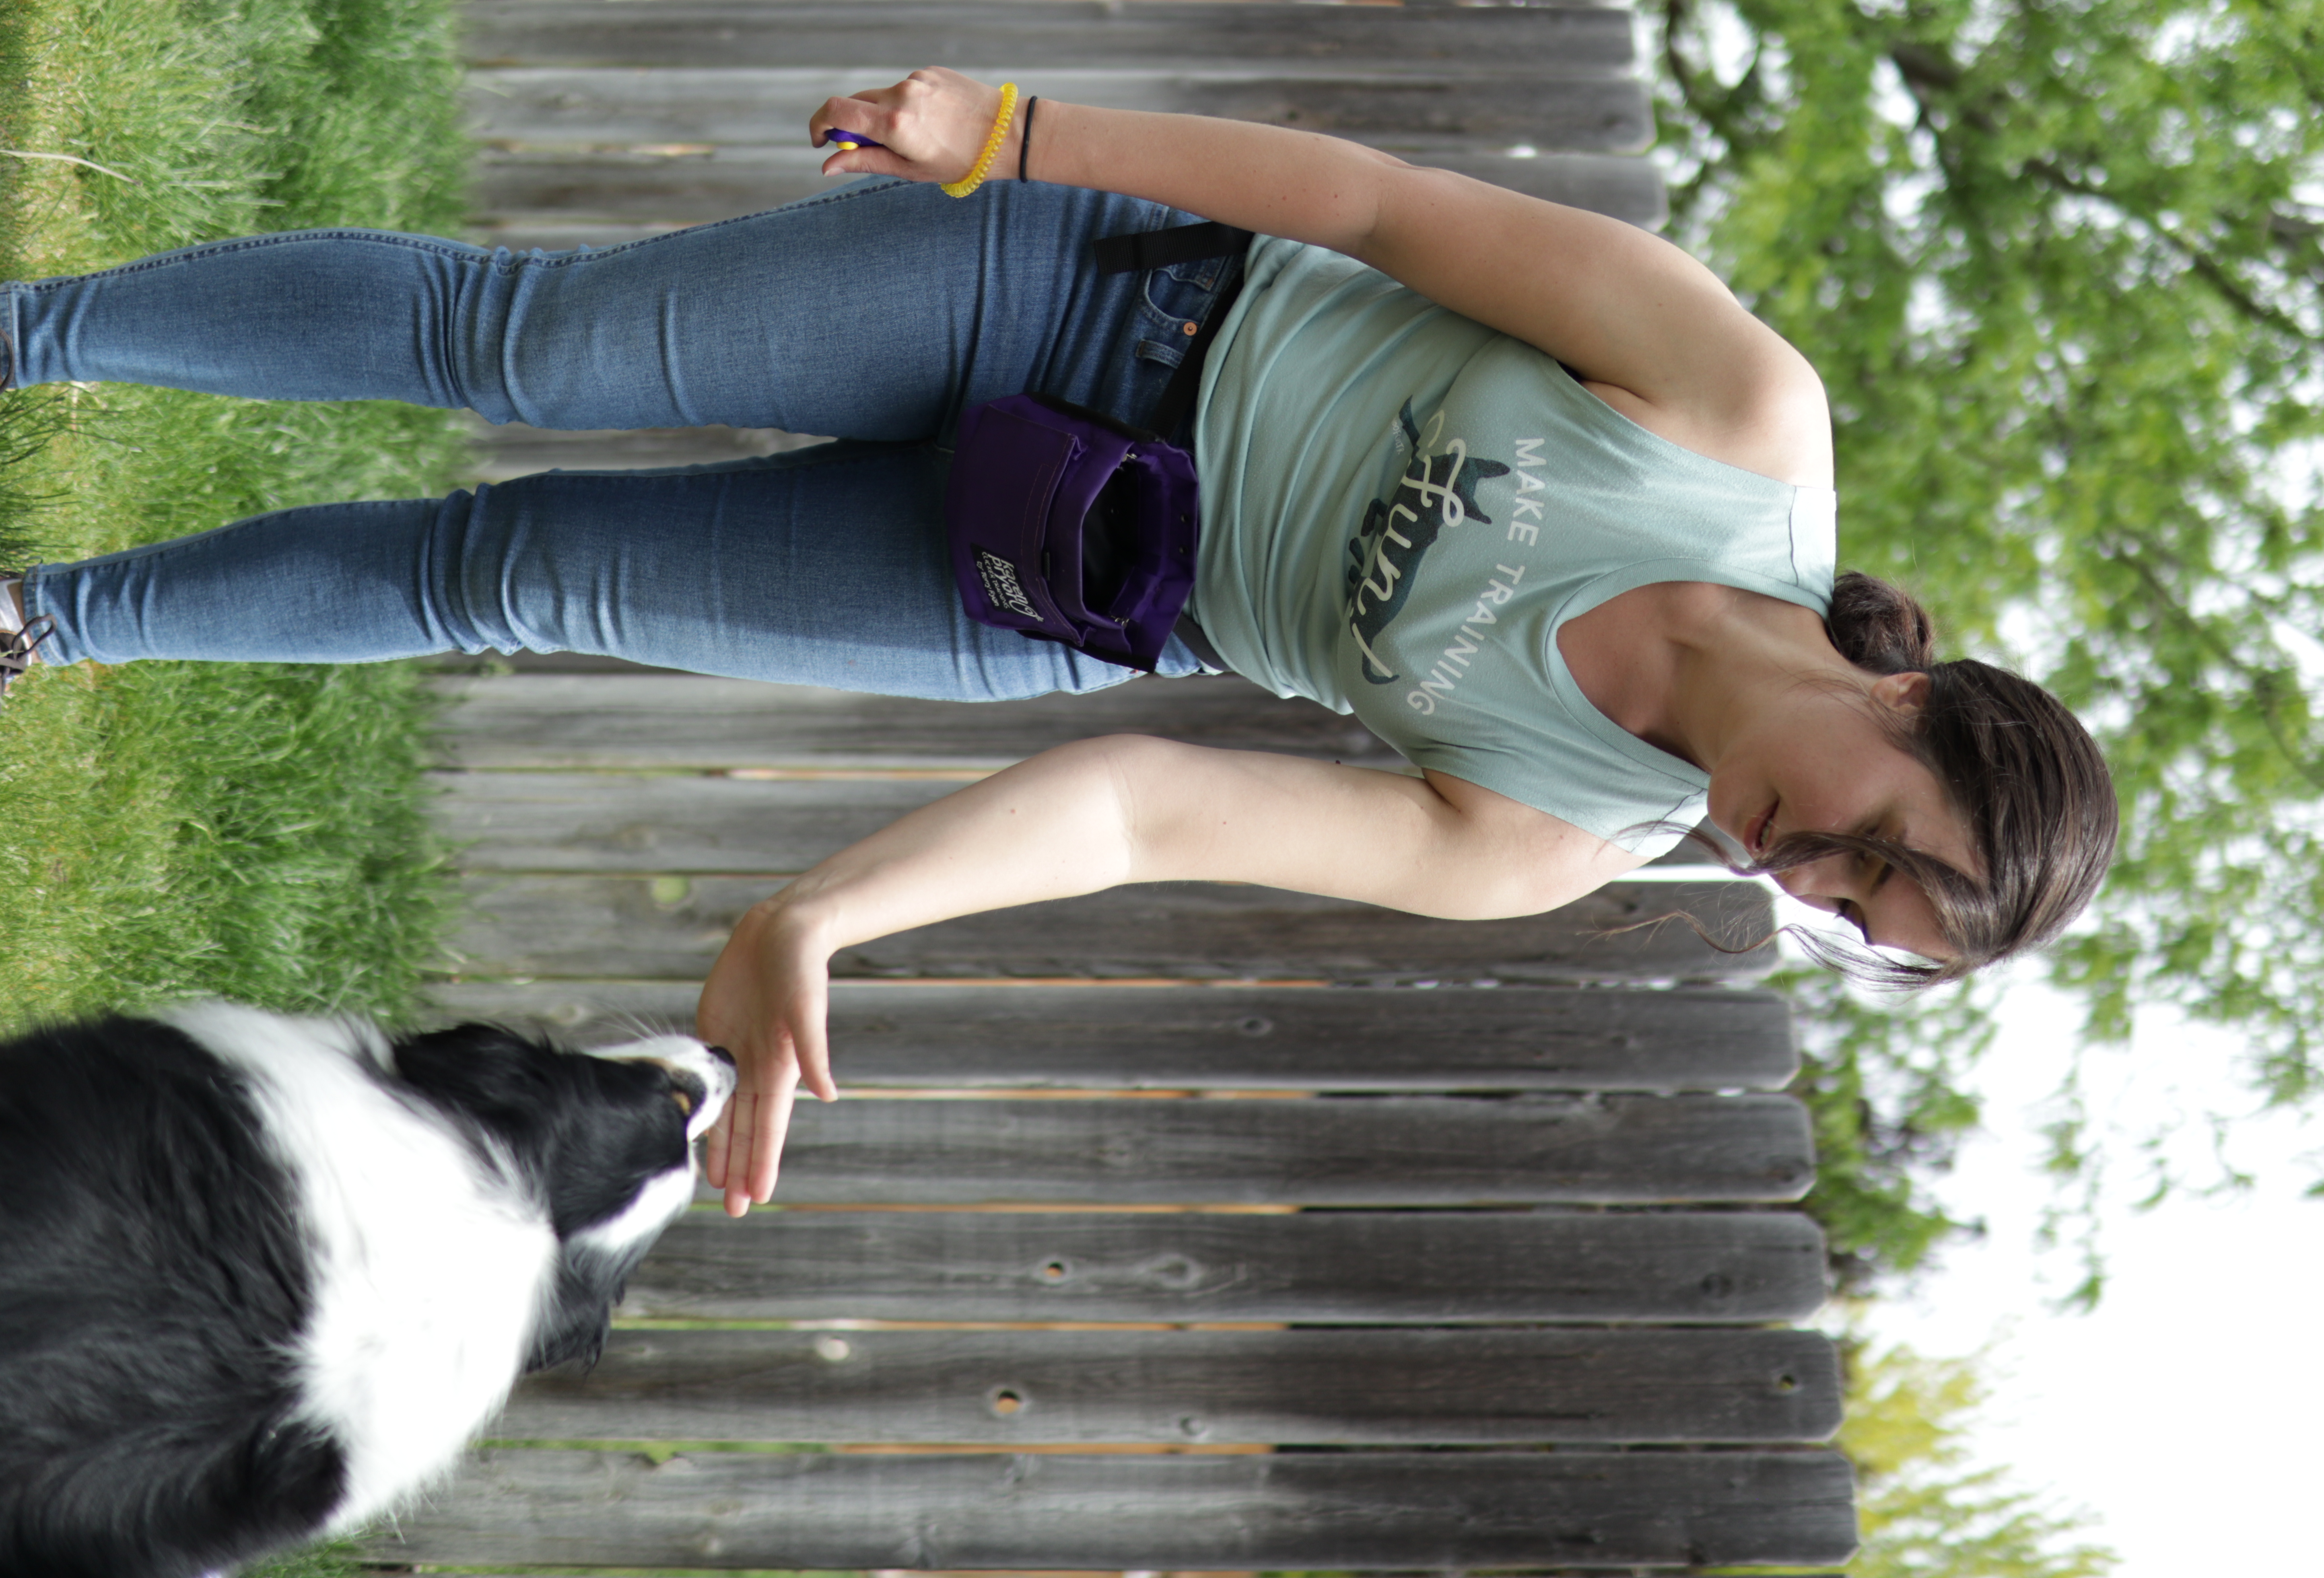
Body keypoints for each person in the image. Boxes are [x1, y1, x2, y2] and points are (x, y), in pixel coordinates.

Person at [0, 69, 2118, 1218]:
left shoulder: (1552, 839)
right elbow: (1373, 208)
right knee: (530, 343)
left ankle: (40, 619)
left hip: (1058, 580)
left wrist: (823, 914)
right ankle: (26, 336)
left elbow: (1134, 807)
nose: (1804, 884)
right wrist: (1019, 137)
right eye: (1868, 848)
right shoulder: (1744, 432)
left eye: (1857, 923)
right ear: (1922, 705)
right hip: (1085, 297)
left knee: (523, 580)